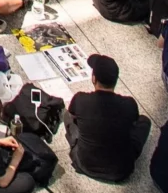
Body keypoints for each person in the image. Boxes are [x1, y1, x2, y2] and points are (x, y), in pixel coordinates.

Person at [63, 54, 150, 183]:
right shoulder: (129, 104)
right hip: (120, 171)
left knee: (67, 116)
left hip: (84, 164)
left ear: (94, 78)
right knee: (144, 122)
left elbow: (72, 115)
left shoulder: (80, 99)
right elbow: (133, 123)